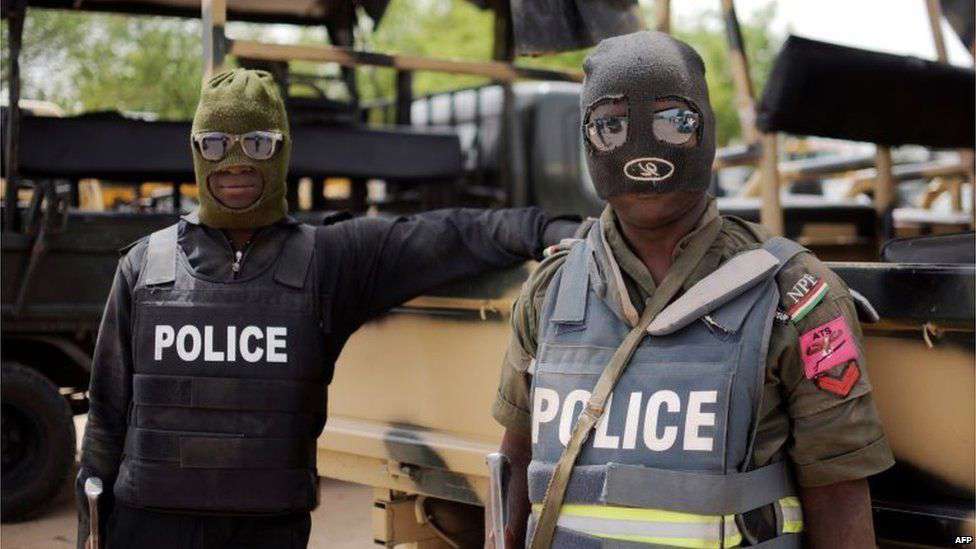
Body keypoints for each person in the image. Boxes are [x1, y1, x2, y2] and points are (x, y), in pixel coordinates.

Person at [76, 68, 577, 549]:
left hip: (266, 533)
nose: (235, 162)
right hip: (149, 529)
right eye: (215, 144)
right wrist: (89, 532)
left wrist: (549, 230)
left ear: (282, 150)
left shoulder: (325, 260)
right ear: (196, 151)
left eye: (257, 144)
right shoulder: (146, 265)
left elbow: (452, 235)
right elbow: (104, 420)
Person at [488, 31, 894, 549]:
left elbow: (838, 499)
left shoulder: (795, 296)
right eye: (611, 125)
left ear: (705, 130)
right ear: (586, 137)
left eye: (672, 121)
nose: (641, 146)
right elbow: (514, 466)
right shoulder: (551, 292)